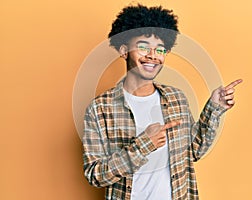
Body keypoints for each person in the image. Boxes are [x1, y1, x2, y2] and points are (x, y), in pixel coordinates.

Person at [82, 4, 242, 200]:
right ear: (124, 51)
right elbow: (95, 175)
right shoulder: (100, 109)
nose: (152, 56)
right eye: (143, 47)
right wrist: (143, 145)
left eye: (160, 49)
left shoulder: (176, 99)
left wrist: (214, 108)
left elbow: (192, 152)